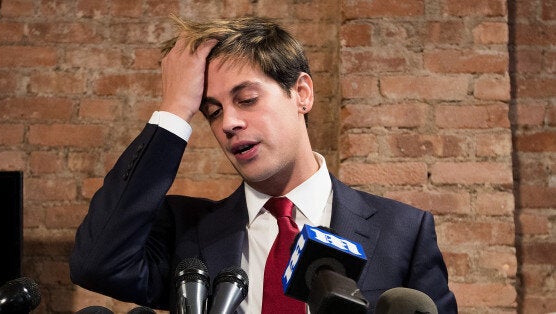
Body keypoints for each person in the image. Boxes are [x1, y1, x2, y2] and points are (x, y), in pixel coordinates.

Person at [69, 15, 458, 314]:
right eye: (212, 111)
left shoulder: (404, 233)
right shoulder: (186, 234)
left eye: (247, 99)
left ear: (301, 93)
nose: (228, 123)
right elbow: (96, 263)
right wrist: (174, 110)